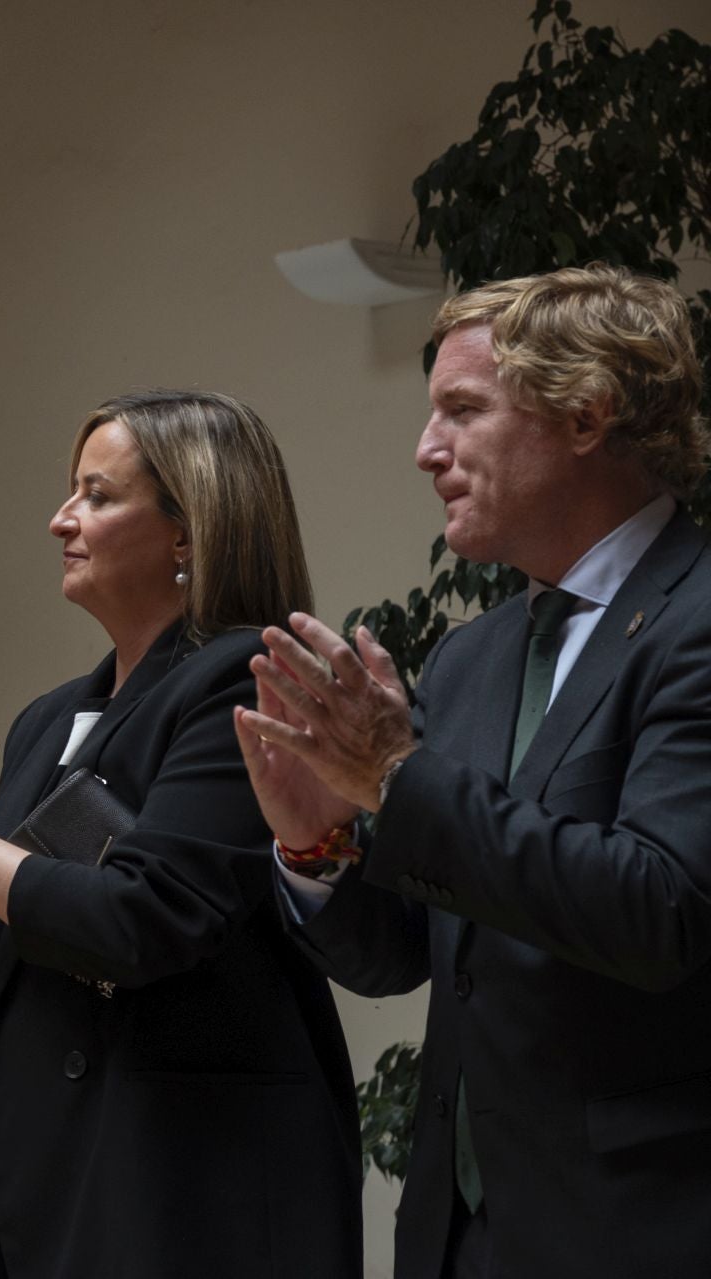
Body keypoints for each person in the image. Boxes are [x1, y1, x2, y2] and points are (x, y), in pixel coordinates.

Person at [0, 390, 361, 1278]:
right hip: (40, 1173)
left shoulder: (243, 682)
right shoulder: (45, 720)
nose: (60, 519)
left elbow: (139, 919)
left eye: (97, 496)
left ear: (188, 533)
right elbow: (42, 957)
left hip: (181, 1185)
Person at [237, 265, 711, 1278]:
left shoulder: (697, 620)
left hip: (643, 1229)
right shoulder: (471, 656)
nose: (427, 449)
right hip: (459, 1241)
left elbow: (663, 908)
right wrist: (318, 843)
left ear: (586, 414)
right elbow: (412, 952)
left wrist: (398, 777)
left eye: (462, 409)